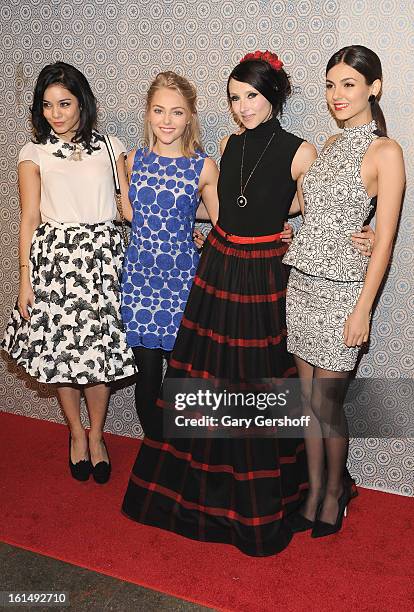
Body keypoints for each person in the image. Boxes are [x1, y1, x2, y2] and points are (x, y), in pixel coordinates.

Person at [122, 51, 320, 557]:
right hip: (216, 267)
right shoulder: (228, 144)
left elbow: (317, 207)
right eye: (234, 98)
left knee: (258, 381)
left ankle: (264, 494)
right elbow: (226, 206)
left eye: (251, 95)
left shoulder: (301, 151)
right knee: (202, 380)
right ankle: (202, 491)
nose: (242, 106)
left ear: (273, 95)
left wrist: (356, 232)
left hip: (261, 276)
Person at [283, 45, 405, 537]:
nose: (337, 95)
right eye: (331, 85)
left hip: (342, 296)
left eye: (349, 84)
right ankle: (313, 490)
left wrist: (364, 312)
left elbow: (387, 240)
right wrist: (301, 231)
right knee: (306, 400)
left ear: (373, 88)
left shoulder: (386, 151)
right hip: (303, 286)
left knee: (327, 404)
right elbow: (312, 211)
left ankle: (336, 491)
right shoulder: (328, 146)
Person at [2, 62, 136, 484]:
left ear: (82, 102)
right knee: (63, 358)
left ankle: (98, 436)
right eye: (47, 105)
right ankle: (76, 434)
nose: (56, 114)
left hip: (104, 260)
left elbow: (130, 208)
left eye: (64, 103)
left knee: (99, 357)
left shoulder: (112, 147)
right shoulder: (33, 152)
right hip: (56, 261)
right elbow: (27, 219)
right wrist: (24, 278)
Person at [118, 71, 220, 438]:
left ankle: (178, 459)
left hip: (180, 281)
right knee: (147, 380)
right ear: (147, 113)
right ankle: (156, 452)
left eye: (176, 112)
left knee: (181, 379)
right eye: (159, 110)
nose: (166, 120)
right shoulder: (131, 160)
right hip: (140, 280)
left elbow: (225, 224)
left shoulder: (204, 166)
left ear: (190, 116)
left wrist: (200, 238)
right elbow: (131, 213)